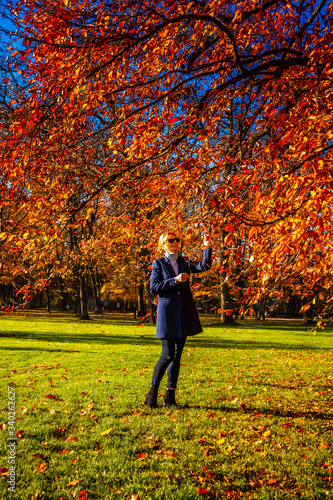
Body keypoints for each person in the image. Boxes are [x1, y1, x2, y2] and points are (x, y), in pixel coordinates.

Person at [144, 231, 212, 408]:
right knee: (167, 354)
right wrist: (174, 280)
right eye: (170, 240)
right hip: (167, 313)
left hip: (184, 312)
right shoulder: (158, 263)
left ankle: (170, 397)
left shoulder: (185, 261)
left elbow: (204, 266)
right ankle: (151, 394)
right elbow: (154, 288)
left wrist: (206, 246)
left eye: (177, 240)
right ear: (163, 244)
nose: (174, 242)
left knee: (177, 356)